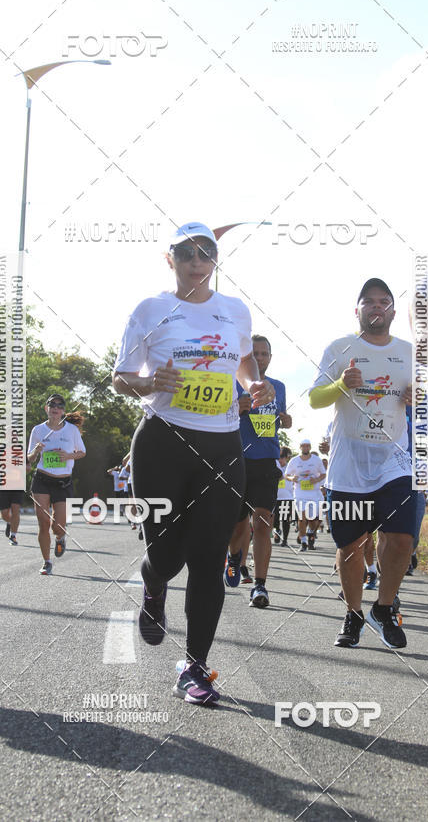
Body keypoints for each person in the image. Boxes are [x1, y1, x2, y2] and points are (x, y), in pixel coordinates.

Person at [112, 222, 274, 705]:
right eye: (187, 253)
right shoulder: (151, 309)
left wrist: (254, 384)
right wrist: (149, 382)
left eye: (206, 253)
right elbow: (121, 378)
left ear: (216, 260)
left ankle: (196, 668)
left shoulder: (235, 311)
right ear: (171, 260)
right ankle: (154, 582)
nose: (197, 261)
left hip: (223, 446)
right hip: (163, 441)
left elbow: (244, 362)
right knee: (166, 554)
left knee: (208, 556)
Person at [310, 278, 414, 649]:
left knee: (401, 539)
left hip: (394, 461)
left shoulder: (410, 351)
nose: (376, 307)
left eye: (383, 301)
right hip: (350, 465)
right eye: (368, 302)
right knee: (351, 546)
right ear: (357, 310)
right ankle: (353, 614)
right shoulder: (340, 348)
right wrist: (341, 383)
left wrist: (417, 397)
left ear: (393, 311)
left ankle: (383, 608)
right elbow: (315, 399)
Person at [224, 335, 291, 608]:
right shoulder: (231, 383)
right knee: (237, 525)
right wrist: (233, 408)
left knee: (263, 521)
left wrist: (286, 420)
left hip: (266, 460)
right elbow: (212, 417)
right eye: (255, 354)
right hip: (236, 459)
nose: (260, 358)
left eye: (264, 353)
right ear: (246, 358)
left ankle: (260, 585)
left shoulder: (278, 387)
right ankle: (233, 557)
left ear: (270, 358)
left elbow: (281, 420)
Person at [27, 395, 86, 575]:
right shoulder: (38, 430)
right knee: (43, 523)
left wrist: (67, 456)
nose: (56, 408)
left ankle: (60, 538)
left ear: (63, 411)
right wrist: (36, 451)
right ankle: (46, 562)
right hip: (42, 480)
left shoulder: (71, 430)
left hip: (63, 482)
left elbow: (82, 452)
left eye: (60, 406)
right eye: (52, 405)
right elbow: (29, 459)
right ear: (46, 408)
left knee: (57, 527)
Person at [285, 439, 326, 552]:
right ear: (300, 447)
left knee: (313, 520)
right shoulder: (294, 461)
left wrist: (316, 479)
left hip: (314, 493)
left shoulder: (316, 460)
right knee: (302, 517)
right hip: (300, 492)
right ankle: (303, 541)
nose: (306, 448)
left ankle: (309, 532)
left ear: (310, 447)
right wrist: (292, 478)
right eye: (303, 446)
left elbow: (323, 474)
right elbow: (286, 475)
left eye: (308, 446)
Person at [275, 447, 294, 546]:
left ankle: (285, 540)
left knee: (285, 519)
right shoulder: (274, 464)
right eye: (279, 456)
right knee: (275, 519)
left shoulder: (290, 467)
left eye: (282, 457)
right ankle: (277, 530)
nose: (280, 459)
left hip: (287, 498)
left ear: (287, 457)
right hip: (274, 497)